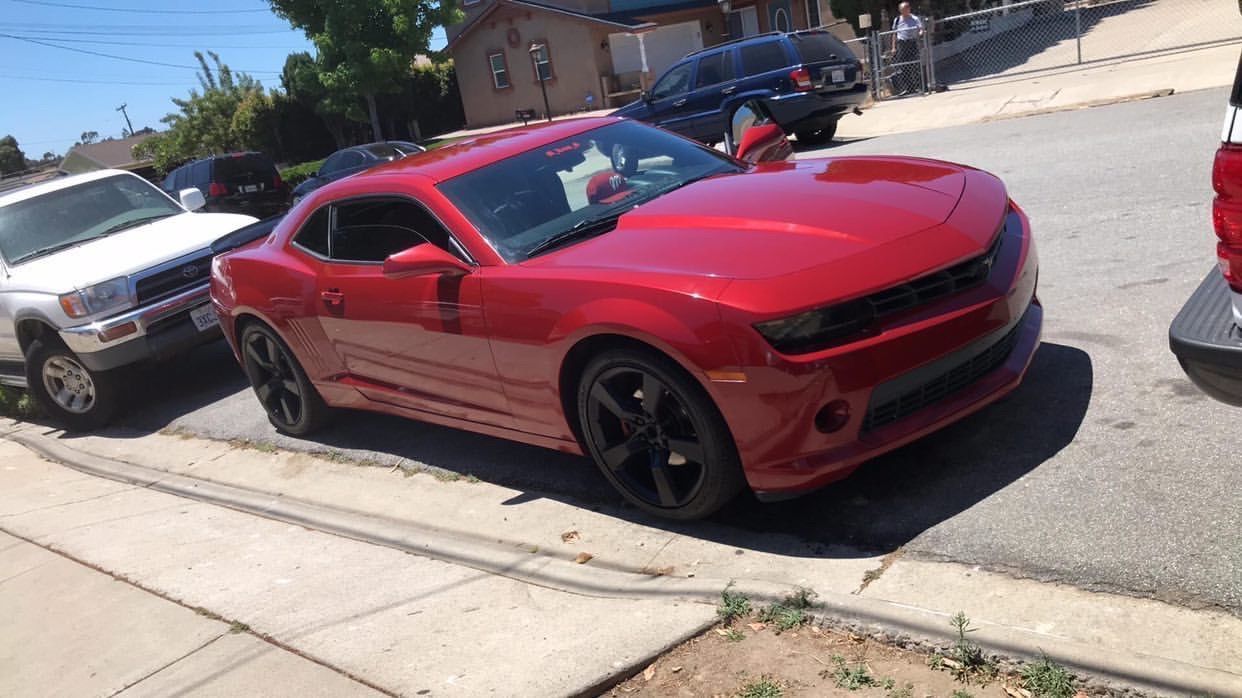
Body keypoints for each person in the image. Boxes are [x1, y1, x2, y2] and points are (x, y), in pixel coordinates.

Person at [890, 2, 925, 96]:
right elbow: (894, 34)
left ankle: (920, 86)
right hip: (901, 44)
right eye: (902, 10)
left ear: (909, 9)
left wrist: (921, 33)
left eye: (906, 9)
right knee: (904, 67)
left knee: (915, 65)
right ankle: (909, 88)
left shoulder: (915, 18)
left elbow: (921, 28)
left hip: (912, 42)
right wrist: (893, 47)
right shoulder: (897, 20)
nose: (904, 11)